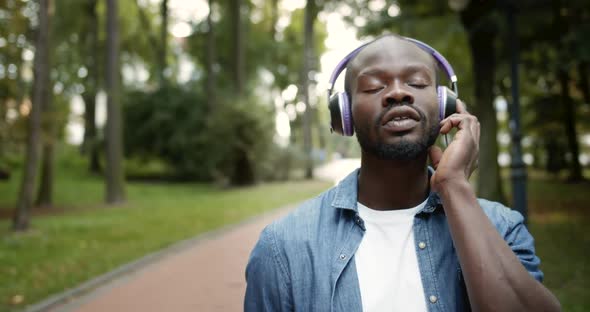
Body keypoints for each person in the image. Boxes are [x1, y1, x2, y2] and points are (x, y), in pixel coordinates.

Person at [244, 34, 560, 311]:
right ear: (345, 114)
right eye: (373, 86)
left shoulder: (501, 228)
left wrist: (454, 186)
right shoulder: (283, 248)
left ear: (445, 105)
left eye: (417, 83)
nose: (397, 93)